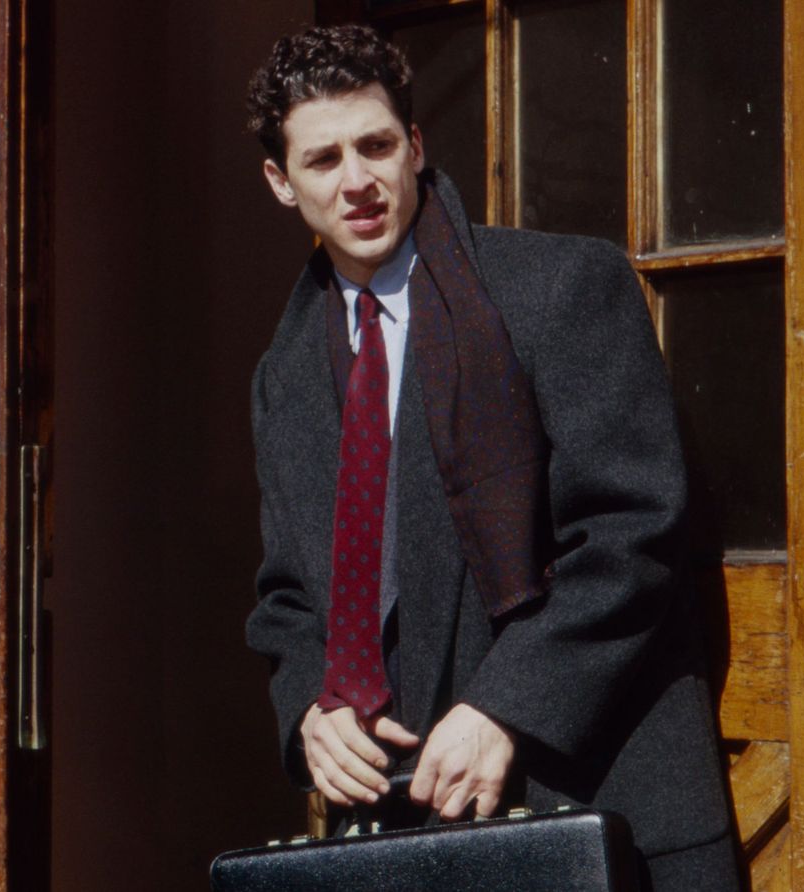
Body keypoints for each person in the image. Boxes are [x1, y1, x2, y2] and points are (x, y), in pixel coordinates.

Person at [244, 24, 740, 890]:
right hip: (402, 820)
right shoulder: (283, 376)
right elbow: (289, 596)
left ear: (417, 148)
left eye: (377, 145)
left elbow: (634, 533)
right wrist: (309, 715)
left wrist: (508, 708)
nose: (357, 181)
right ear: (282, 184)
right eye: (323, 161)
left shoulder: (560, 289)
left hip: (590, 794)